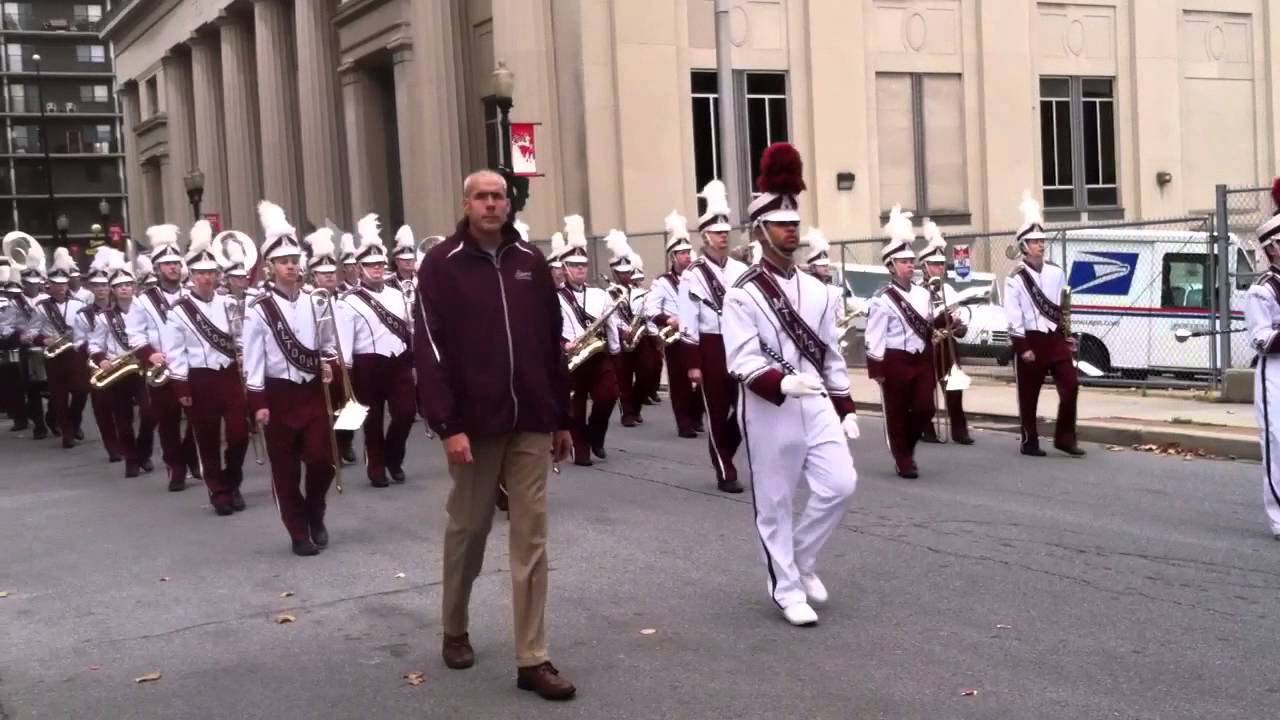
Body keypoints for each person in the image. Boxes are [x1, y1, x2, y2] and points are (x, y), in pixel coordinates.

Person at [414, 169, 575, 701]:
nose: (491, 204)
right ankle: (454, 625)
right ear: (466, 203)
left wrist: (562, 416)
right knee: (469, 529)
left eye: (498, 196)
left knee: (531, 538)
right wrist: (448, 424)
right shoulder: (442, 264)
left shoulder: (531, 262)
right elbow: (429, 349)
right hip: (474, 425)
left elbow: (552, 341)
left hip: (530, 419)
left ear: (509, 204)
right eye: (481, 196)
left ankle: (533, 657)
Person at [725, 141, 859, 627]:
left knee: (840, 484)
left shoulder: (819, 291)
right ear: (761, 231)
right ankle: (785, 588)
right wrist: (781, 384)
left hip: (815, 400)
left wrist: (846, 407)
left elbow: (831, 353)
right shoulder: (742, 294)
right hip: (769, 406)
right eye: (781, 224)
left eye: (795, 223)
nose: (791, 231)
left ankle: (802, 558)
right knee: (775, 500)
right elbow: (741, 359)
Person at [243, 200, 338, 557]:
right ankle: (298, 531)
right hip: (278, 395)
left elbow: (328, 343)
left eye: (294, 260)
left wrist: (328, 362)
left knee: (321, 460)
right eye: (283, 261)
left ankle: (315, 510)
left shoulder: (316, 301)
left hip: (311, 392)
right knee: (285, 471)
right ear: (270, 266)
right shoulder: (259, 310)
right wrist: (258, 403)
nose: (291, 266)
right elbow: (253, 361)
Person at [165, 220, 250, 516]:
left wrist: (244, 358)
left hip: (230, 375)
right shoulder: (179, 311)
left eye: (211, 273)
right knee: (207, 438)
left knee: (240, 434)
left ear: (217, 275)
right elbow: (175, 352)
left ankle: (233, 481)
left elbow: (240, 337)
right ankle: (218, 491)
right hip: (200, 379)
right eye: (200, 273)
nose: (206, 278)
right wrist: (181, 386)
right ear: (191, 276)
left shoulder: (229, 303)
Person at [1003, 191, 1085, 458]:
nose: (1040, 245)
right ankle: (1029, 441)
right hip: (1031, 340)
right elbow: (1013, 314)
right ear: (1024, 246)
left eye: (1042, 241)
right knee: (1028, 396)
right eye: (1035, 242)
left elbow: (1063, 307)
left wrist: (1067, 335)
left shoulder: (1056, 271)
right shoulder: (1015, 277)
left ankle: (1065, 438)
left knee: (1071, 386)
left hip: (1054, 340)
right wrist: (1022, 346)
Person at [678, 180, 748, 493]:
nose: (723, 237)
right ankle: (725, 469)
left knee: (746, 409)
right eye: (718, 233)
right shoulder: (693, 274)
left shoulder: (740, 269)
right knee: (717, 411)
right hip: (710, 345)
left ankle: (726, 449)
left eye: (725, 232)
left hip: (740, 344)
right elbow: (688, 320)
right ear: (706, 236)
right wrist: (693, 363)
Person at [339, 217, 415, 487]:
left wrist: (413, 362)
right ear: (359, 268)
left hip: (398, 363)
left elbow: (408, 330)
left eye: (380, 264)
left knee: (406, 414)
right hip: (366, 366)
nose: (377, 269)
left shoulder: (397, 295)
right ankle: (376, 465)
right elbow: (345, 344)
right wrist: (346, 377)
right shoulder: (348, 301)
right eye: (370, 265)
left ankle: (393, 458)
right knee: (372, 421)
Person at [865, 206, 935, 479]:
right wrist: (877, 369)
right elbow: (874, 336)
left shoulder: (923, 294)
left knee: (925, 408)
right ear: (891, 266)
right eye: (904, 262)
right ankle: (903, 458)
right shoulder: (882, 298)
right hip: (895, 359)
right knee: (896, 412)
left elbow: (928, 324)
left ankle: (906, 446)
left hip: (921, 359)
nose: (910, 265)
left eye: (911, 261)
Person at [129, 225, 200, 490]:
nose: (173, 268)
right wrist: (150, 354)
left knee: (198, 419)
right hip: (161, 369)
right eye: (167, 264)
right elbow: (134, 335)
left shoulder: (191, 295)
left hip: (192, 367)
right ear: (158, 269)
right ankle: (176, 468)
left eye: (176, 263)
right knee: (167, 423)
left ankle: (190, 454)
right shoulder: (143, 300)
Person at [558, 215, 622, 466]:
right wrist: (564, 344)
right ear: (565, 268)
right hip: (571, 357)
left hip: (597, 354)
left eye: (583, 265)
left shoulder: (599, 294)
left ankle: (595, 434)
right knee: (575, 406)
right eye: (575, 266)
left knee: (608, 395)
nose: (580, 270)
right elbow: (549, 328)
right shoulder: (554, 297)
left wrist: (615, 351)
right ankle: (581, 447)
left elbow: (611, 324)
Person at [89, 250, 155, 478]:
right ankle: (131, 459)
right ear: (113, 290)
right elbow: (94, 344)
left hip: (143, 369)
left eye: (128, 284)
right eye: (119, 286)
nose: (125, 289)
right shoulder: (104, 317)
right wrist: (102, 360)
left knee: (150, 414)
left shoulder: (146, 311)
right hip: (119, 371)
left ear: (134, 287)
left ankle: (144, 452)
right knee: (123, 419)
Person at [645, 211, 704, 438]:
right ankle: (684, 423)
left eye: (688, 252)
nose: (686, 256)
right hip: (675, 337)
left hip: (697, 334)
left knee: (704, 378)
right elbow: (650, 309)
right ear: (672, 257)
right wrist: (669, 319)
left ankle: (696, 415)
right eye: (681, 253)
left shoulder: (698, 278)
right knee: (679, 382)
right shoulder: (662, 282)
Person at [916, 220, 973, 445]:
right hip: (928, 346)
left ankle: (960, 431)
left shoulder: (948, 289)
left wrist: (959, 325)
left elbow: (959, 323)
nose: (941, 268)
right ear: (925, 267)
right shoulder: (918, 291)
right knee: (925, 392)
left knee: (955, 389)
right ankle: (926, 428)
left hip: (948, 346)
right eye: (936, 264)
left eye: (942, 264)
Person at [1246, 180, 1280, 541]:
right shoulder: (1263, 289)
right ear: (1272, 248)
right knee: (1277, 442)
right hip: (1275, 373)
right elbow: (1262, 340)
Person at [33, 247, 88, 448]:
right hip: (54, 356)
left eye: (64, 283)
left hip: (75, 354)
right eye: (56, 284)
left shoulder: (79, 304)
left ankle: (75, 421)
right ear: (50, 285)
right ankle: (67, 434)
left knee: (81, 391)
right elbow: (31, 333)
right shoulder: (41, 307)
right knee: (59, 397)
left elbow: (87, 329)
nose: (61, 287)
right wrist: (43, 340)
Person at [74, 252, 122, 462]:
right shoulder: (83, 314)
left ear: (110, 287)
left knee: (122, 409)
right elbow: (78, 343)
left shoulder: (122, 310)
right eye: (96, 286)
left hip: (121, 364)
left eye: (104, 285)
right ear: (91, 288)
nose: (101, 289)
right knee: (102, 409)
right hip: (97, 365)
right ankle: (112, 448)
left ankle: (126, 444)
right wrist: (98, 355)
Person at [605, 231, 645, 427]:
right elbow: (612, 318)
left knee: (648, 371)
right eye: (621, 273)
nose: (626, 276)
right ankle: (627, 413)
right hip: (621, 338)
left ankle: (635, 405)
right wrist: (623, 331)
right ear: (614, 273)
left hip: (639, 336)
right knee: (624, 377)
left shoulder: (638, 292)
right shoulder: (609, 293)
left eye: (628, 272)